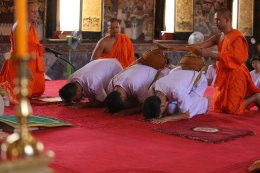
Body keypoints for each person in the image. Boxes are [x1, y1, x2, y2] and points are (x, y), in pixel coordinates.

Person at [187, 8, 260, 114]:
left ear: (227, 20)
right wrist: (178, 48)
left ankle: (256, 97)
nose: (215, 23)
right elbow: (200, 45)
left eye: (218, 20)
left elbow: (237, 58)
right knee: (221, 107)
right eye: (215, 20)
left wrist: (210, 54)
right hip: (224, 73)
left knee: (232, 109)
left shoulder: (237, 37)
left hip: (236, 73)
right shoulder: (218, 36)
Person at [143, 53, 209, 124]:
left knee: (188, 110)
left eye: (160, 114)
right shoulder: (153, 88)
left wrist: (165, 119)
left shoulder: (177, 91)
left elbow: (186, 114)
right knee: (171, 110)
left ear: (163, 105)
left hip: (198, 80)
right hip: (179, 73)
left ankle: (204, 103)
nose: (160, 116)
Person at [0, 0, 45, 102]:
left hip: (32, 63)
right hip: (20, 63)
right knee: (18, 94)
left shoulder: (30, 25)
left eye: (36, 11)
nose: (36, 14)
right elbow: (17, 50)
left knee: (33, 92)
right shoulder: (19, 26)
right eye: (32, 11)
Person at [104, 62, 173, 114]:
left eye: (123, 102)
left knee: (154, 106)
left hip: (157, 71)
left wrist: (126, 112)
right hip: (140, 66)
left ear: (122, 97)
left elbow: (144, 104)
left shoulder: (134, 85)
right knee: (128, 104)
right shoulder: (112, 85)